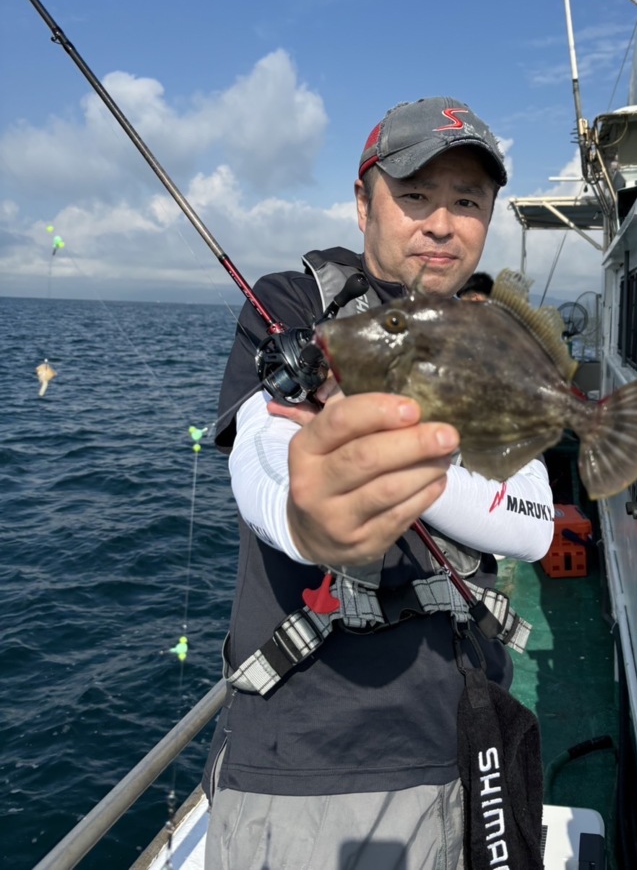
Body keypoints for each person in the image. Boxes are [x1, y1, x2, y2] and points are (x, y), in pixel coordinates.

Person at [202, 96, 555, 870]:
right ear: (364, 203)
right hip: (311, 761)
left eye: (468, 202)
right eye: (416, 195)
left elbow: (532, 522)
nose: (442, 224)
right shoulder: (297, 306)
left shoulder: (492, 333)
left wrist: (409, 466)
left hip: (472, 736)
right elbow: (262, 448)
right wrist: (308, 516)